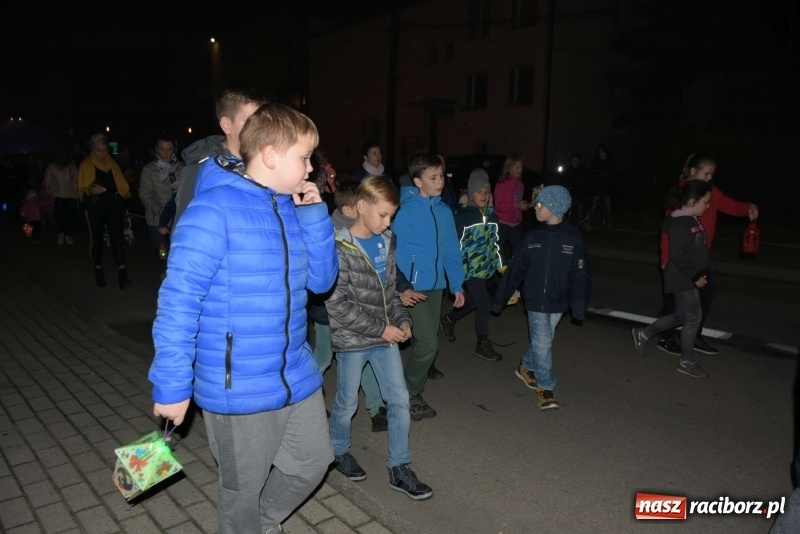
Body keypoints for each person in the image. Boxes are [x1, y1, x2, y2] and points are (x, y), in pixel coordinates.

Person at [149, 103, 338, 534]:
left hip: (295, 373)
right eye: (305, 157)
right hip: (237, 384)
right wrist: (173, 384)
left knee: (311, 464)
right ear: (271, 155)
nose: (312, 166)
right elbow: (178, 302)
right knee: (241, 492)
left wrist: (314, 215)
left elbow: (322, 281)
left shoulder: (289, 206)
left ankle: (259, 526)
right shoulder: (211, 211)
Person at [326, 176, 434, 501]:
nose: (387, 223)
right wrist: (380, 327)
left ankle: (399, 467)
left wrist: (402, 320)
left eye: (391, 216)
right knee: (346, 403)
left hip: (383, 334)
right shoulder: (339, 246)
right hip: (354, 338)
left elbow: (390, 291)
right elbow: (337, 304)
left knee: (399, 399)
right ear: (361, 206)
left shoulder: (386, 241)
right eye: (383, 215)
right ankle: (338, 451)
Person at [492, 186, 590, 410]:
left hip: (558, 300)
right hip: (535, 300)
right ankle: (546, 387)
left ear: (555, 208)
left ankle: (526, 365)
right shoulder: (533, 236)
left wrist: (578, 303)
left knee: (542, 340)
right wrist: (500, 299)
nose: (535, 207)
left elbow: (581, 274)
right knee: (544, 342)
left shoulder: (573, 238)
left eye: (540, 204)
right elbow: (516, 269)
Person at [656, 153, 759, 356]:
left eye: (712, 174)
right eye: (706, 173)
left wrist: (748, 208)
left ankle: (694, 335)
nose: (709, 178)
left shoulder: (710, 191)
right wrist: (666, 260)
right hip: (680, 258)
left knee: (707, 292)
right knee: (676, 300)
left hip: (700, 256)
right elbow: (668, 232)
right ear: (693, 172)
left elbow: (731, 205)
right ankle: (664, 337)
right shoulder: (681, 194)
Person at [391, 153, 465, 420]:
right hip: (413, 289)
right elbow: (393, 250)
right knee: (428, 345)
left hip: (436, 288)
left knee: (426, 342)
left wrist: (457, 285)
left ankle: (406, 385)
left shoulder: (444, 211)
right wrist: (400, 287)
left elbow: (451, 252)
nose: (440, 181)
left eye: (441, 176)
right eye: (433, 177)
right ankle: (408, 393)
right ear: (418, 181)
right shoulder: (405, 212)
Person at [631, 180, 713, 379]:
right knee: (693, 317)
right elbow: (677, 255)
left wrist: (703, 272)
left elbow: (697, 251)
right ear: (693, 201)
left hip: (688, 275)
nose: (708, 206)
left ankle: (643, 334)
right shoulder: (679, 223)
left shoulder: (692, 219)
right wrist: (695, 276)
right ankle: (687, 362)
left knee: (681, 315)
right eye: (706, 202)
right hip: (682, 277)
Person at [173, 86, 267, 225]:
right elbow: (183, 226)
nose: (260, 128)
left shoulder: (268, 163)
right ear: (226, 125)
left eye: (263, 121)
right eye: (250, 121)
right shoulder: (200, 168)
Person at [439, 169, 504, 362]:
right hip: (468, 268)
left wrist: (501, 265)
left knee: (476, 301)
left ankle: (449, 319)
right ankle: (482, 343)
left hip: (486, 268)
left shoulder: (493, 217)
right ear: (470, 195)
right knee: (484, 303)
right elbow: (454, 245)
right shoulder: (464, 217)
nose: (484, 195)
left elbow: (495, 244)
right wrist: (454, 272)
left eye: (487, 192)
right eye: (479, 192)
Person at [77, 133, 132, 289]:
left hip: (112, 207)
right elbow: (85, 189)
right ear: (92, 150)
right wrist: (101, 191)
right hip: (95, 208)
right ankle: (98, 269)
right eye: (98, 151)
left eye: (104, 151)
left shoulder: (113, 165)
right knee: (97, 238)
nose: (101, 154)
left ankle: (122, 273)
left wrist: (106, 189)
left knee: (117, 238)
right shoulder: (86, 165)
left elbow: (122, 188)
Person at [493, 152, 530, 305]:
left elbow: (518, 204)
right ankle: (500, 284)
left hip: (516, 224)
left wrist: (527, 206)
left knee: (521, 255)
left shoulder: (520, 184)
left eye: (521, 167)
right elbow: (499, 206)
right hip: (503, 223)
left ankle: (520, 286)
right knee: (497, 254)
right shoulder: (502, 184)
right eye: (517, 167)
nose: (520, 170)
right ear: (509, 168)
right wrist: (516, 206)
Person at [139, 134, 184, 255]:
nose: (166, 153)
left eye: (169, 149)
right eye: (162, 149)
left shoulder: (183, 168)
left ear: (174, 149)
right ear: (156, 149)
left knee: (178, 251)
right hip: (157, 219)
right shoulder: (149, 169)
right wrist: (158, 209)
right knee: (162, 252)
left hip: (179, 218)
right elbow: (145, 193)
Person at [44, 149, 78, 245]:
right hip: (57, 195)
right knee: (59, 216)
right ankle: (60, 234)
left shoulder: (72, 167)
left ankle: (68, 235)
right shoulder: (51, 168)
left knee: (70, 216)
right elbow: (48, 182)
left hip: (71, 195)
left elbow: (76, 181)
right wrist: (49, 194)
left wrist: (77, 193)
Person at [588, 144, 615, 228]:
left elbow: (612, 175)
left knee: (608, 207)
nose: (601, 153)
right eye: (600, 151)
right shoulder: (596, 162)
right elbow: (592, 174)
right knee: (593, 206)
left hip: (606, 188)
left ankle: (609, 222)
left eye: (602, 151)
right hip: (597, 188)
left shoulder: (610, 162)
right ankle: (587, 221)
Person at [560, 153, 590, 227]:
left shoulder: (583, 171)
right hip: (569, 194)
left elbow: (585, 183)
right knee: (569, 212)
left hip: (579, 194)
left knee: (579, 211)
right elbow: (563, 182)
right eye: (572, 160)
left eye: (576, 160)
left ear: (579, 161)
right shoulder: (567, 171)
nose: (574, 162)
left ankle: (580, 225)